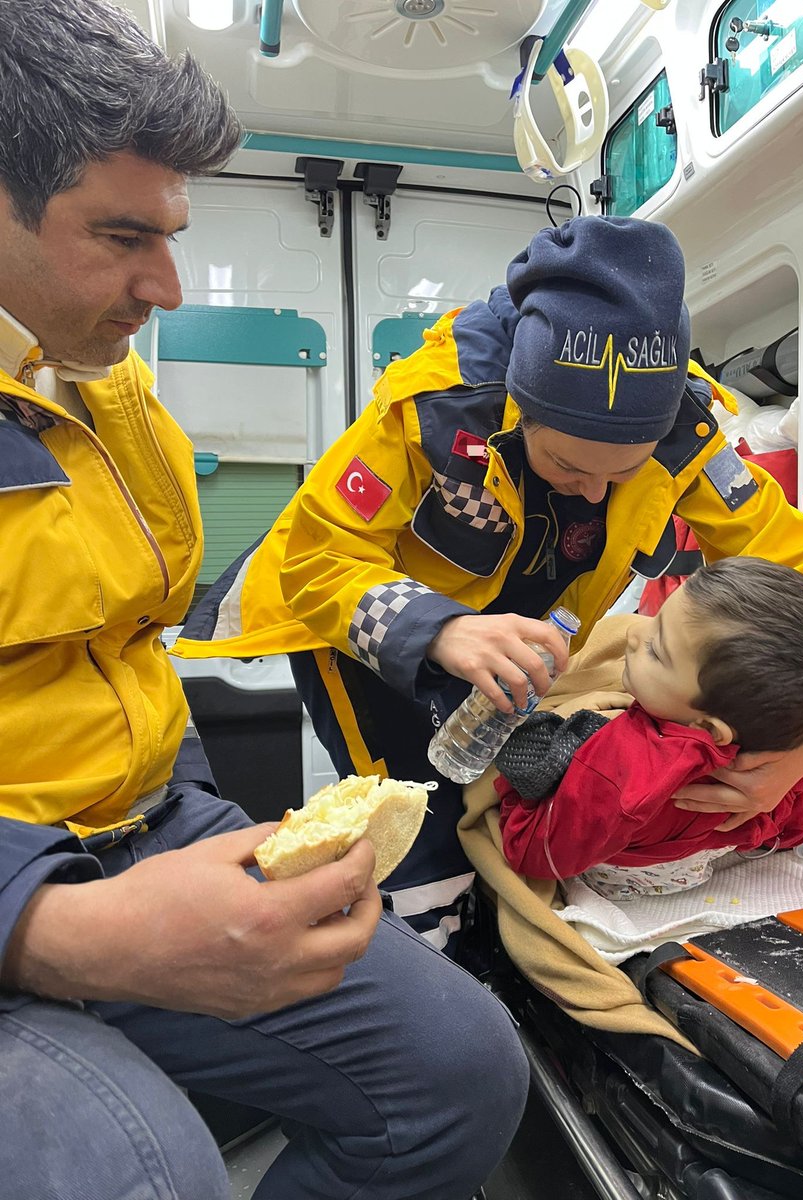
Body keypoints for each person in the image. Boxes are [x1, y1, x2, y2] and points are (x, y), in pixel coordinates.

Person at [0, 3, 529, 1198]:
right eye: (123, 235)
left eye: (172, 234)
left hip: (143, 825)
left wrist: (194, 812)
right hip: (19, 879)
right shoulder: (421, 418)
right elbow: (315, 563)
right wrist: (54, 928)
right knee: (148, 1172)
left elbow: (129, 642)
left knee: (465, 1070)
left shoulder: (102, 386)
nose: (167, 287)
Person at [175, 213, 803, 947]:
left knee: (501, 800)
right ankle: (436, 955)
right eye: (569, 466)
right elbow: (316, 561)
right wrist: (441, 630)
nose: (596, 493)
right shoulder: (434, 406)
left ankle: (500, 939)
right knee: (422, 820)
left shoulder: (685, 427)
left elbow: (802, 576)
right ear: (520, 406)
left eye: (626, 472)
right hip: (371, 628)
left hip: (521, 631)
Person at [497, 557, 803, 897]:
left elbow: (533, 853)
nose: (633, 635)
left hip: (630, 884)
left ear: (707, 725)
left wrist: (522, 779)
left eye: (656, 651)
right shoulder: (788, 754)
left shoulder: (621, 762)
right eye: (655, 620)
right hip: (716, 855)